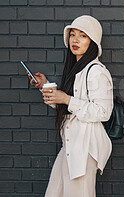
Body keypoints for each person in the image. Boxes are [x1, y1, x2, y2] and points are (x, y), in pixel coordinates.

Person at [28, 15, 113, 197]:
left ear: (93, 41)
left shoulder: (96, 71)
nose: (75, 40)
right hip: (71, 145)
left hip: (84, 146)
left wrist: (66, 99)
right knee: (54, 193)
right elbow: (69, 107)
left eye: (83, 35)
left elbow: (103, 112)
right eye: (73, 34)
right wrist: (45, 87)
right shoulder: (76, 69)